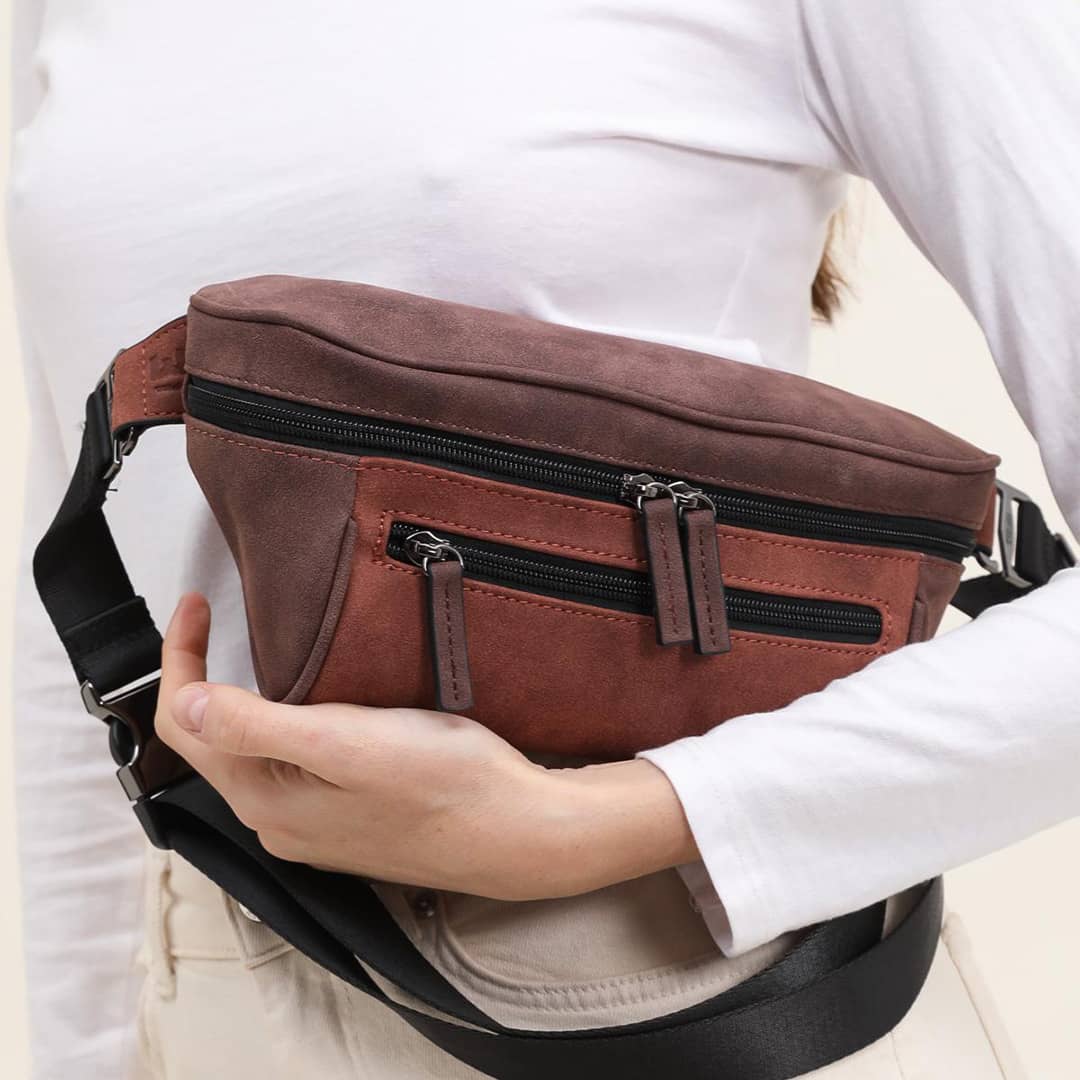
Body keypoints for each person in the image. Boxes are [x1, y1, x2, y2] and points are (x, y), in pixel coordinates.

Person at [9, 1, 1079, 1077]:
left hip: (675, 975)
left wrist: (602, 822)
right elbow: (86, 582)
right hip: (212, 978)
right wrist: (77, 1046)